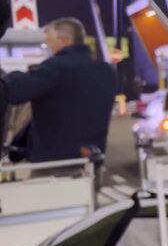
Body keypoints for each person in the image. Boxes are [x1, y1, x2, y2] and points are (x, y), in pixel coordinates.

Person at [3, 17, 117, 162]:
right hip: (92, 159)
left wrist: (8, 77)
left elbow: (15, 91)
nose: (47, 45)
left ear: (64, 40)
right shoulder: (107, 72)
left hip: (55, 163)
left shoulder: (55, 68)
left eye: (49, 41)